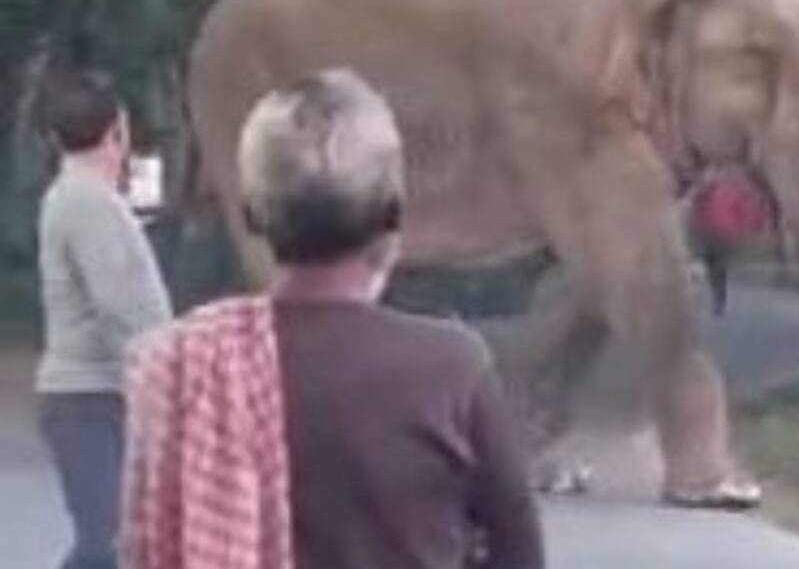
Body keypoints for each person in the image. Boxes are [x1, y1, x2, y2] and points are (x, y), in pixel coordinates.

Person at [123, 69, 544, 569]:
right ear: (394, 214)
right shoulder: (451, 369)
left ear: (253, 214)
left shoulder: (185, 366)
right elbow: (518, 552)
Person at [34, 67, 173, 569]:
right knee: (107, 546)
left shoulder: (80, 198)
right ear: (119, 129)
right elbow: (121, 307)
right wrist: (167, 373)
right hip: (90, 396)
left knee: (111, 543)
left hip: (92, 396)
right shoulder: (90, 204)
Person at [688, 158, 768, 318]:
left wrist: (746, 226)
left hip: (723, 232)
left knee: (717, 265)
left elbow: (741, 207)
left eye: (714, 172)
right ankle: (716, 293)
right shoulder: (704, 190)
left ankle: (718, 297)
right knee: (711, 264)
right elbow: (697, 207)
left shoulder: (731, 188)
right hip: (708, 231)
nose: (711, 175)